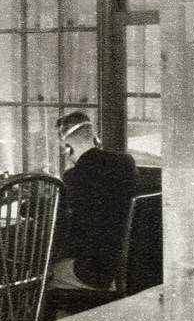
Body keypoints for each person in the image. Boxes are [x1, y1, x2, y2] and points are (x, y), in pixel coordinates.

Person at [51, 111, 140, 291]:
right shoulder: (126, 162)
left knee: (40, 277)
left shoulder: (74, 176)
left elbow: (72, 231)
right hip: (129, 268)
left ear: (67, 148)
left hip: (94, 273)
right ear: (95, 139)